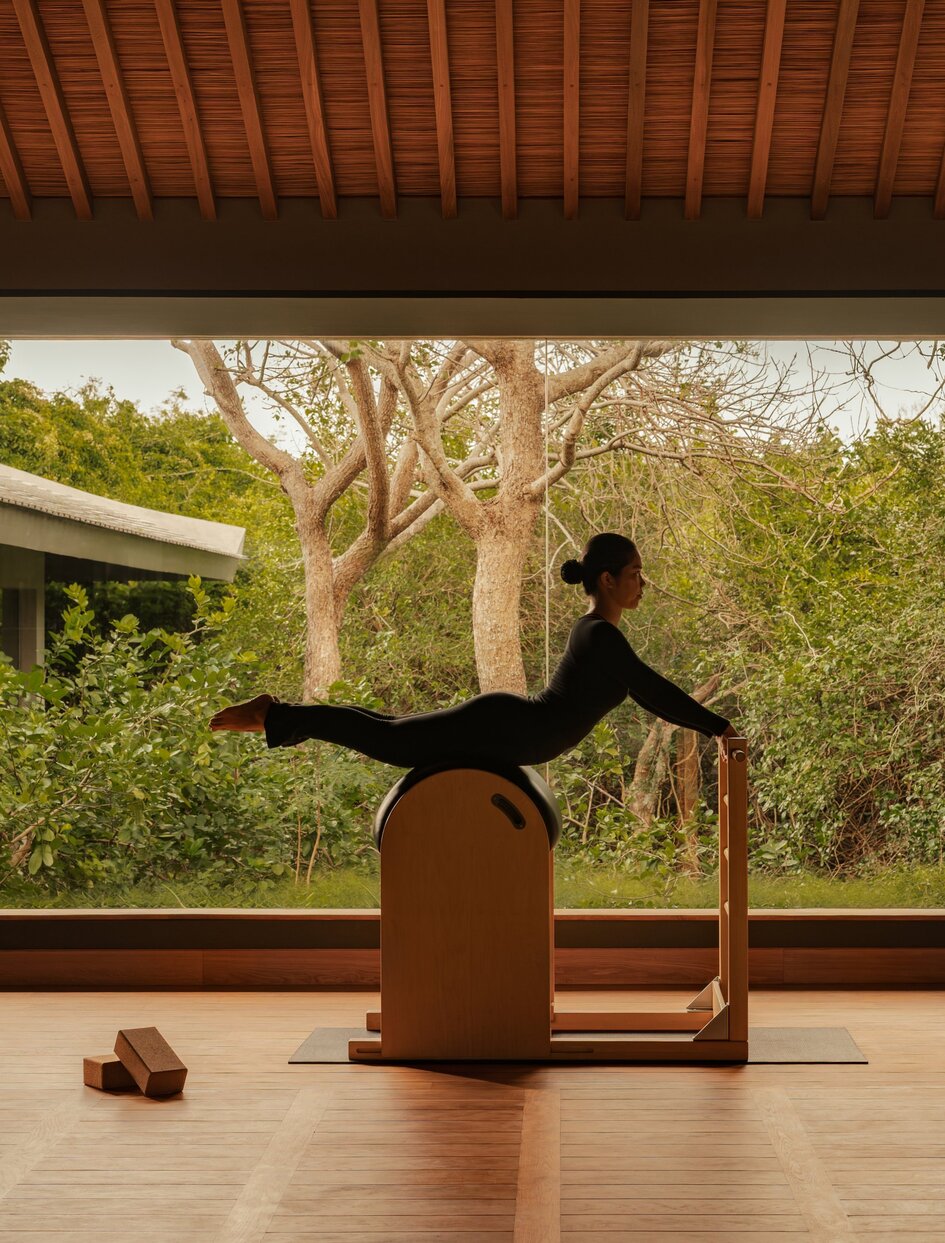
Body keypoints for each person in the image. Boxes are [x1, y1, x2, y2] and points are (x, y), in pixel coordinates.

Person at [210, 532, 737, 766]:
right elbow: (652, 689)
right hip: (507, 728)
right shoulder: (599, 634)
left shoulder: (600, 635)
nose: (643, 584)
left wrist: (711, 727)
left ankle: (279, 716)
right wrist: (719, 728)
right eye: (636, 574)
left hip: (510, 728)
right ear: (608, 578)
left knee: (390, 731)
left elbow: (649, 695)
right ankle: (275, 715)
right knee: (390, 739)